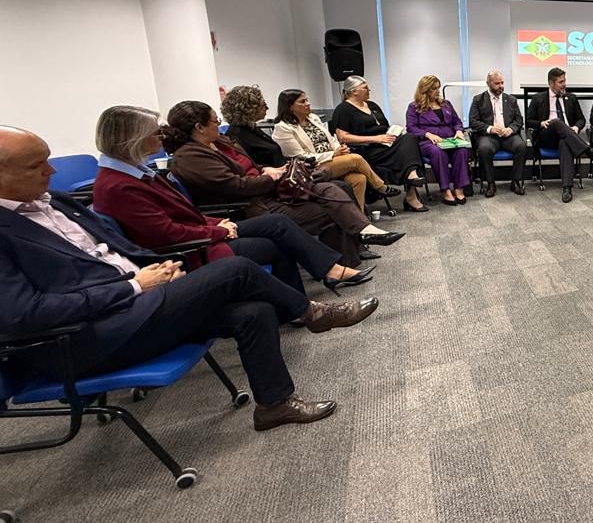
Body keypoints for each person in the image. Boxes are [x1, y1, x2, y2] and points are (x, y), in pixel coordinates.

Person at [0, 126, 379, 432]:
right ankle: (312, 313)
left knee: (254, 311)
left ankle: (274, 406)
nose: (50, 171)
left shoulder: (57, 201)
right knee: (236, 269)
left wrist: (160, 269)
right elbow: (24, 315)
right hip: (86, 338)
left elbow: (122, 248)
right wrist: (134, 285)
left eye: (48, 160)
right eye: (36, 165)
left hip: (138, 303)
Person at [92, 105, 374, 296]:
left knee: (286, 220)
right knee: (285, 233)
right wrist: (217, 229)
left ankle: (326, 276)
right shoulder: (121, 185)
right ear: (133, 139)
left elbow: (182, 211)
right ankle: (309, 296)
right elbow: (165, 232)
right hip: (193, 246)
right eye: (155, 133)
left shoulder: (138, 172)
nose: (161, 137)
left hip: (209, 226)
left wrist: (216, 223)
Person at [164, 100, 404, 268]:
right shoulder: (190, 157)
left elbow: (250, 165)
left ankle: (359, 240)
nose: (219, 124)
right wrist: (270, 177)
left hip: (269, 191)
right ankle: (348, 255)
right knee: (333, 204)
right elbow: (236, 186)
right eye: (215, 121)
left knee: (333, 187)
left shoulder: (219, 142)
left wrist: (266, 170)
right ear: (199, 127)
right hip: (254, 205)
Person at [271, 88, 402, 213]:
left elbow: (331, 138)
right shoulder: (283, 128)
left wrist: (339, 149)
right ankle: (380, 187)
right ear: (290, 107)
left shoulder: (313, 118)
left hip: (334, 159)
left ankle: (358, 218)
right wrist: (332, 154)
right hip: (311, 166)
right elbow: (299, 156)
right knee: (355, 159)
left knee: (359, 179)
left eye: (307, 100)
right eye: (302, 101)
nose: (308, 103)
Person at [329, 76, 428, 212]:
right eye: (365, 87)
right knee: (407, 154)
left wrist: (392, 133)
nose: (369, 90)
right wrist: (376, 139)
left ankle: (412, 178)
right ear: (354, 91)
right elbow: (343, 137)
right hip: (368, 149)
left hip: (386, 144)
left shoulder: (372, 105)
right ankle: (411, 194)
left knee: (410, 138)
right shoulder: (343, 109)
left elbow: (384, 126)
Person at [526, 67, 593, 203]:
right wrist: (541, 123)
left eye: (564, 81)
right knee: (556, 122)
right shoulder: (538, 98)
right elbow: (528, 121)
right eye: (561, 82)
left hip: (567, 136)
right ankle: (589, 151)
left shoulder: (571, 98)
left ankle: (567, 188)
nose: (564, 84)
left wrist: (576, 127)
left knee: (565, 143)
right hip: (547, 136)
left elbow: (581, 119)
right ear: (551, 83)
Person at [406, 75, 470, 206]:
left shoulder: (446, 104)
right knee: (438, 153)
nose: (438, 91)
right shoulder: (414, 107)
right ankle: (445, 190)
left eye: (438, 88)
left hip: (449, 140)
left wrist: (458, 131)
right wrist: (427, 134)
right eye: (434, 88)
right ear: (425, 90)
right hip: (428, 142)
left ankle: (459, 188)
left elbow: (457, 122)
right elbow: (411, 128)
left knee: (462, 150)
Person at [468, 70, 526, 197]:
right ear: (488, 83)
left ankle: (516, 181)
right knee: (484, 149)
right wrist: (489, 128)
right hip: (489, 136)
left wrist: (510, 129)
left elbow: (519, 120)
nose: (500, 86)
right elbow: (473, 121)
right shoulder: (478, 100)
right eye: (497, 83)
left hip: (508, 136)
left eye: (502, 83)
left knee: (521, 146)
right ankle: (490, 183)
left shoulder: (511, 100)